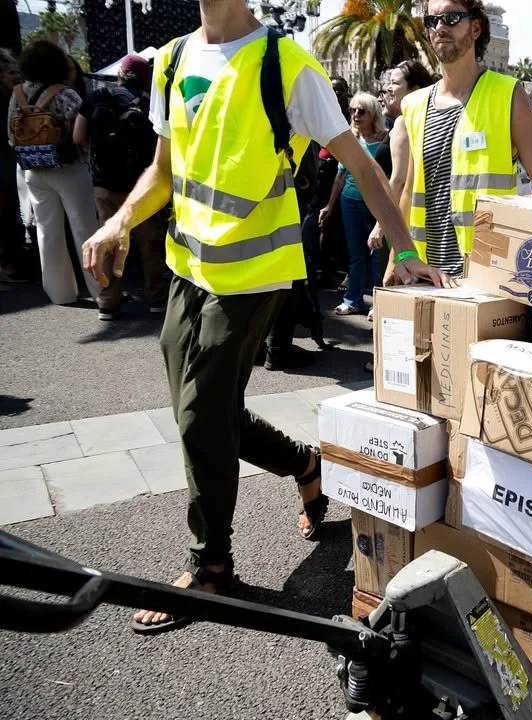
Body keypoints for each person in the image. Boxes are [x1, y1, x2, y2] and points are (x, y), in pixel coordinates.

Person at [80, 0, 449, 635]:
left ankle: (212, 565)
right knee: (204, 412)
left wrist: (407, 251)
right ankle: (305, 466)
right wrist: (118, 221)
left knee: (200, 415)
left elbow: (364, 163)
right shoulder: (169, 60)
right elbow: (164, 172)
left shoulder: (285, 65)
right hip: (187, 268)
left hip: (254, 276)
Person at [397, 0, 532, 279]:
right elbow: (410, 190)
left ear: (476, 27)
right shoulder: (414, 105)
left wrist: (529, 252)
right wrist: (397, 255)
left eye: (452, 18)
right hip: (424, 274)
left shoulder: (507, 94)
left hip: (488, 274)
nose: (440, 27)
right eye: (433, 21)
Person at [73, 54, 166, 320]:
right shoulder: (149, 104)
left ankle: (108, 303)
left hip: (104, 184)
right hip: (141, 186)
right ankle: (156, 298)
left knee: (109, 241)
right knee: (150, 243)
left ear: (120, 74)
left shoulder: (95, 98)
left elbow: (78, 136)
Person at [7, 40, 100, 305]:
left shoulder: (17, 94)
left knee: (47, 230)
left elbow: (11, 137)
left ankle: (60, 293)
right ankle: (101, 291)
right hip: (69, 167)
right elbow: (84, 133)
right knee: (85, 228)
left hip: (33, 168)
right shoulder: (66, 94)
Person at [368, 59, 435, 313]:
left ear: (414, 89)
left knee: (396, 290)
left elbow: (398, 180)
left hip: (402, 221)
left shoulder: (404, 122)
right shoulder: (422, 120)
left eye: (395, 83)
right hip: (413, 221)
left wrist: (380, 227)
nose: (388, 89)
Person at [320, 92, 392, 316]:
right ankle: (353, 299)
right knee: (355, 254)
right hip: (349, 202)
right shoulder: (348, 140)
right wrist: (329, 206)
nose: (356, 115)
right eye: (352, 110)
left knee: (377, 255)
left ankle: (379, 303)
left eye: (362, 111)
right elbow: (340, 175)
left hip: (376, 204)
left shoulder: (384, 140)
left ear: (373, 114)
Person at [0, 47, 25, 283]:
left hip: (12, 166)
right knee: (6, 217)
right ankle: (7, 266)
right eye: (11, 73)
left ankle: (14, 262)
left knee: (14, 216)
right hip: (3, 169)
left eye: (18, 72)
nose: (16, 77)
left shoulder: (17, 98)